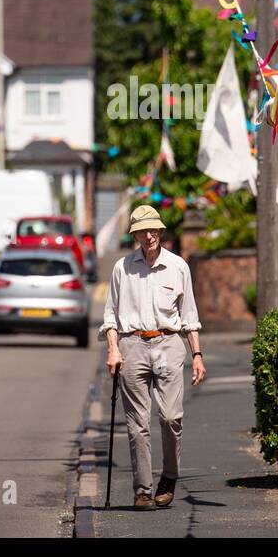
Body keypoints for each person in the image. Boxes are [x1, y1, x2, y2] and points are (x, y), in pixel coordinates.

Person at [100, 205, 205, 510]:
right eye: (142, 231)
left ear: (160, 232)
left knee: (171, 417)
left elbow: (189, 317)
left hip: (169, 343)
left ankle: (169, 477)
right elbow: (110, 315)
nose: (148, 236)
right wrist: (113, 348)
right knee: (137, 423)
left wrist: (197, 354)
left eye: (153, 230)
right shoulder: (122, 268)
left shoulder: (178, 267)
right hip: (132, 345)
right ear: (134, 235)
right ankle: (143, 489)